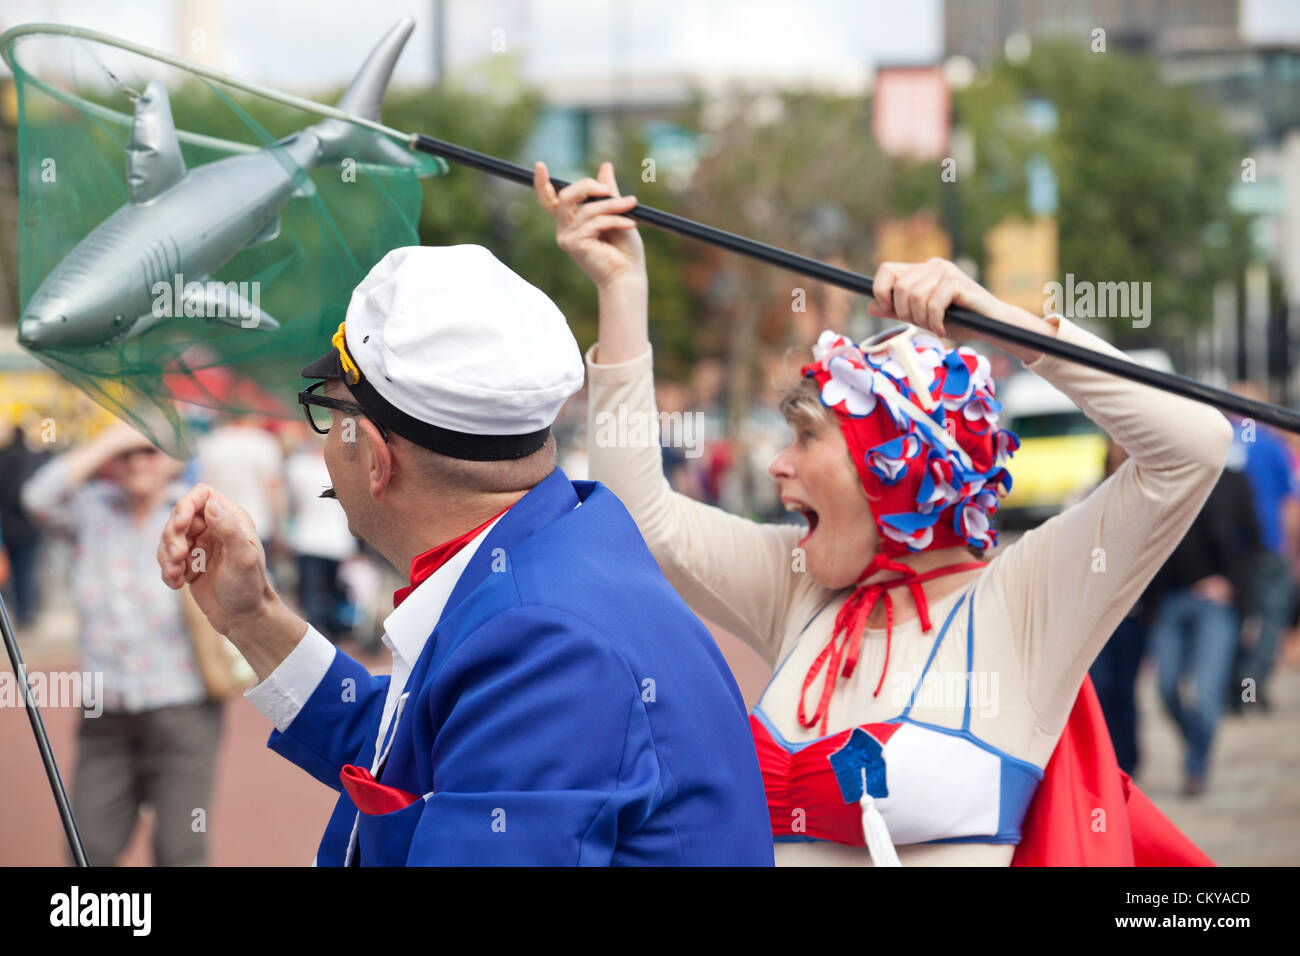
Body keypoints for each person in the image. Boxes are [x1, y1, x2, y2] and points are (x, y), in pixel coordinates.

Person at [538, 159, 1230, 865]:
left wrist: (1004, 322)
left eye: (807, 437)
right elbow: (637, 521)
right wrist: (622, 288)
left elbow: (1193, 448)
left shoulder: (1023, 606)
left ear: (895, 470)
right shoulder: (799, 585)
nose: (779, 463)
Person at [157, 244, 773, 866]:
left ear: (373, 455)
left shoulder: (544, 648)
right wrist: (254, 617)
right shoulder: (562, 549)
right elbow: (424, 741)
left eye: (327, 410)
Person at [22, 423, 226, 866]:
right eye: (126, 454)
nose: (137, 462)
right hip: (106, 713)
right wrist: (112, 438)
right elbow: (36, 497)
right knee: (88, 848)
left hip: (182, 708)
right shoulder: (91, 510)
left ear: (172, 458)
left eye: (149, 451)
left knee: (180, 849)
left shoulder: (197, 515)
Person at [1146, 449, 1261, 796]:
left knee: (1205, 692)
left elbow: (1254, 544)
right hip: (1170, 600)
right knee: (1166, 689)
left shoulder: (1232, 481)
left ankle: (1196, 767)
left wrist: (1233, 587)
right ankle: (1196, 743)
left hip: (1215, 603)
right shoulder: (1164, 479)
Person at [1226, 382, 1299, 713]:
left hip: (1228, 551)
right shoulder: (1270, 445)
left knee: (1236, 620)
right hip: (1269, 545)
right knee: (1271, 620)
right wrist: (1290, 546)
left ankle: (1239, 686)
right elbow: (1290, 504)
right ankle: (1249, 684)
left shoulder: (1219, 442)